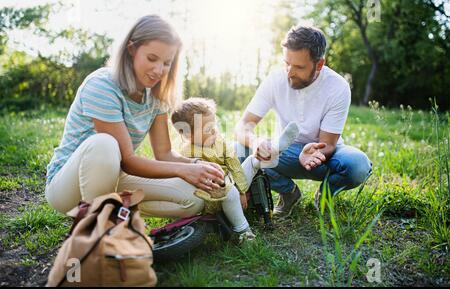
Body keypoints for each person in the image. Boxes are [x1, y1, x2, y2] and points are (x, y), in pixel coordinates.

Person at [45, 15, 225, 219]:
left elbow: (165, 154)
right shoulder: (101, 86)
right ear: (131, 50)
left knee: (194, 198)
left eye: (167, 63)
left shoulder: (156, 95)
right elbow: (129, 160)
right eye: (152, 58)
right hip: (68, 187)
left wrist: (196, 166)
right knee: (104, 144)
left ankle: (117, 210)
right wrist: (182, 171)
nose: (159, 70)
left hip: (114, 178)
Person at [235, 24, 372, 218]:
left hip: (325, 154)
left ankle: (325, 195)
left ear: (319, 64)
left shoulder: (338, 87)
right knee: (238, 151)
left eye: (298, 67)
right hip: (285, 151)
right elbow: (242, 127)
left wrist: (315, 151)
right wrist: (256, 142)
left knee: (357, 165)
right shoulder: (275, 80)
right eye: (286, 63)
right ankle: (289, 193)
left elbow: (329, 143)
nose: (289, 72)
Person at [171, 98, 299, 242]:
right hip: (212, 195)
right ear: (189, 135)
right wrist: (234, 188)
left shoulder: (218, 140)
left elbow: (233, 163)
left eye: (214, 125)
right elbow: (210, 180)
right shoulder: (189, 153)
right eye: (208, 129)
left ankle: (275, 149)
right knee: (229, 191)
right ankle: (243, 231)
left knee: (251, 161)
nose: (214, 130)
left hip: (231, 183)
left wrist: (242, 190)